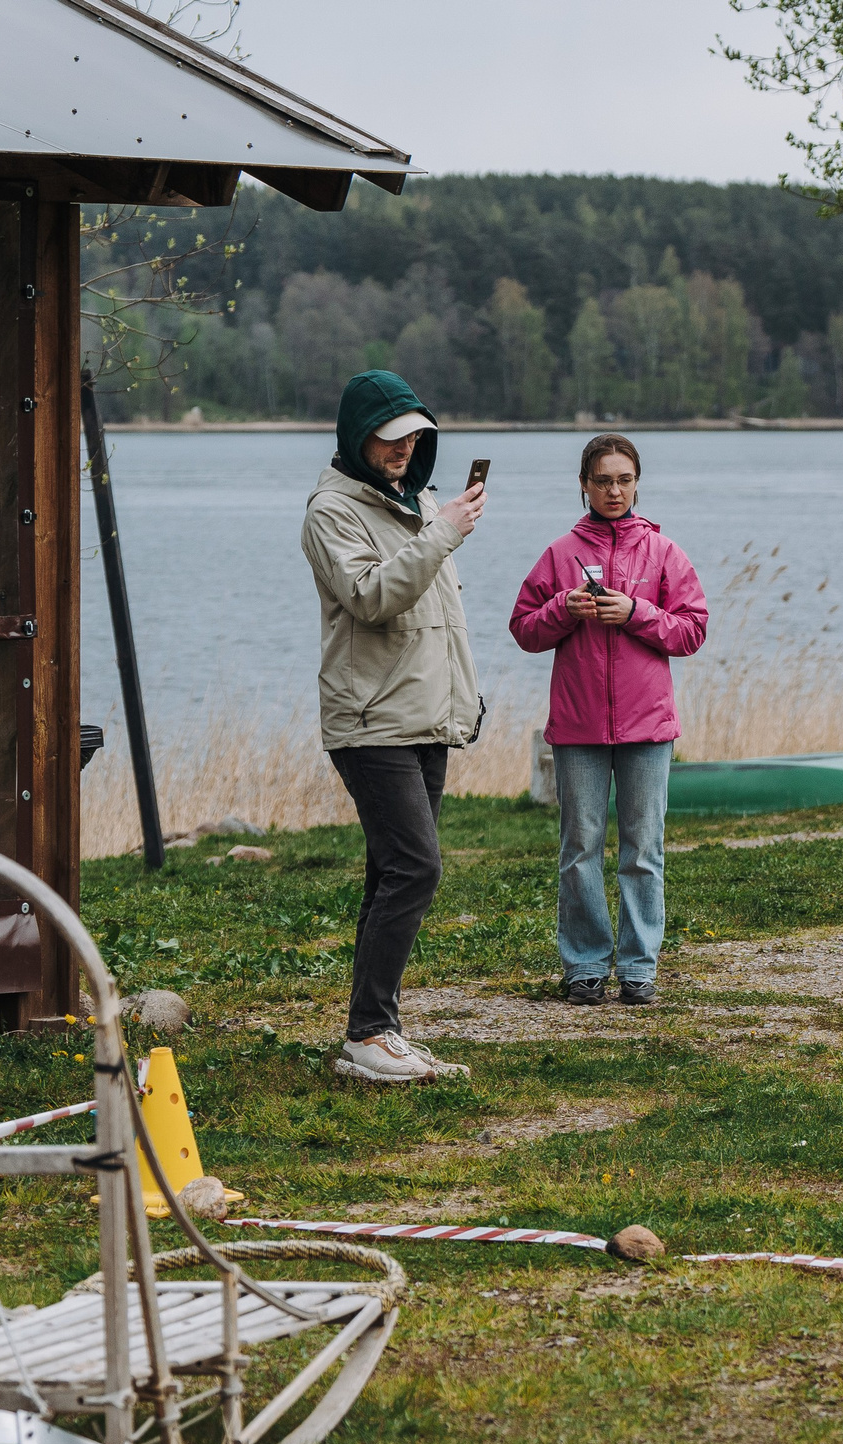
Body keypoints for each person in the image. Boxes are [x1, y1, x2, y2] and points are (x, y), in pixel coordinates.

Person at [302, 370, 487, 1084]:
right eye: (389, 438)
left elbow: (439, 625)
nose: (404, 449)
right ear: (358, 438)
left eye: (414, 436)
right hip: (371, 721)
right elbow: (373, 598)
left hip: (425, 718)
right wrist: (442, 534)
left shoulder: (419, 503)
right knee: (417, 866)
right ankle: (369, 1032)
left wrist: (463, 704)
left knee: (390, 873)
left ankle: (376, 1031)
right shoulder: (331, 513)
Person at [508, 433, 708, 1006]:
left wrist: (636, 612)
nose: (614, 490)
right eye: (603, 480)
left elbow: (692, 629)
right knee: (580, 848)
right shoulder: (559, 553)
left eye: (623, 479)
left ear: (637, 483)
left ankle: (640, 969)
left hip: (648, 727)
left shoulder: (664, 553)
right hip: (578, 727)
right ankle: (586, 967)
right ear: (584, 485)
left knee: (643, 850)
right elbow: (524, 630)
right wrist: (560, 610)